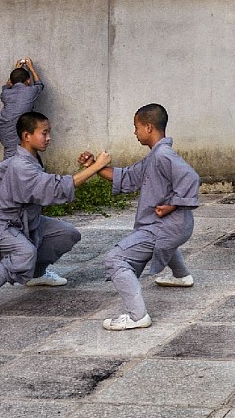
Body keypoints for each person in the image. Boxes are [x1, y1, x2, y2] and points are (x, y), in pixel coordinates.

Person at [0, 112, 110, 323]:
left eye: (49, 133)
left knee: (67, 234)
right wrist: (96, 167)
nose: (48, 138)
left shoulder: (27, 159)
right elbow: (54, 186)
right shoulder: (22, 165)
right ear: (26, 136)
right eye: (44, 133)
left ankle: (37, 274)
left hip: (24, 220)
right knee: (25, 252)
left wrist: (15, 192)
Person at [82, 103, 200, 331]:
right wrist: (94, 166)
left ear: (148, 127)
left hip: (166, 227)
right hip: (178, 228)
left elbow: (191, 178)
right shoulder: (155, 156)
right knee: (158, 240)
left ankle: (137, 316)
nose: (134, 133)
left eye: (135, 127)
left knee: (115, 259)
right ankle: (181, 276)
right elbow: (127, 177)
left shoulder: (163, 155)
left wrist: (171, 206)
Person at [0, 58, 44, 161]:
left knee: (13, 152)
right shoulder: (30, 91)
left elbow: (8, 85)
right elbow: (39, 84)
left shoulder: (6, 93)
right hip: (14, 126)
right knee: (14, 155)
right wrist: (31, 68)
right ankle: (10, 175)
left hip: (2, 124)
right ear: (28, 81)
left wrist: (16, 68)